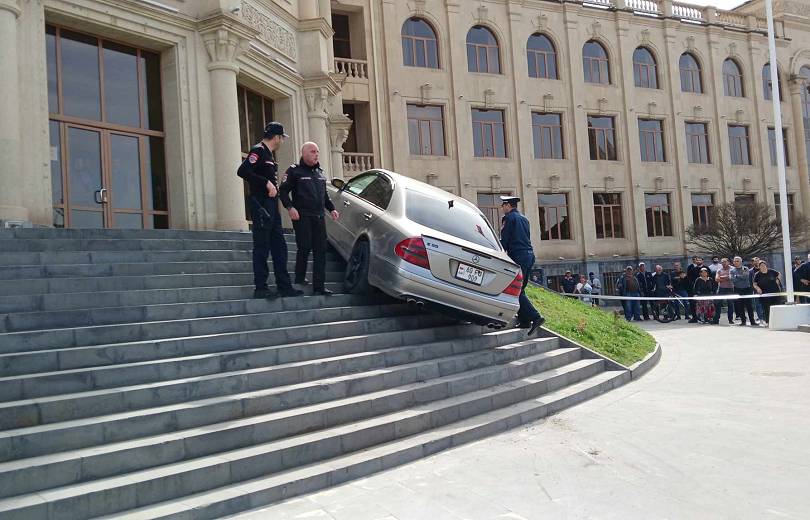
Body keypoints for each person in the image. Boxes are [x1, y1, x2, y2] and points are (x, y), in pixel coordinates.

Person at [237, 122, 302, 299]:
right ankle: (261, 288)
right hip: (261, 205)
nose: (282, 142)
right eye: (282, 138)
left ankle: (284, 286)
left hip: (272, 206)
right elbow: (243, 171)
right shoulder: (258, 150)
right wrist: (265, 183)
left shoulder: (268, 154)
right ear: (277, 137)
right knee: (262, 246)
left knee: (279, 246)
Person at [279, 142, 340, 296]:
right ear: (304, 153)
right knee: (304, 247)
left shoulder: (320, 173)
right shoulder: (294, 171)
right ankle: (299, 277)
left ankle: (319, 286)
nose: (316, 154)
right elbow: (283, 191)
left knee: (320, 251)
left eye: (317, 151)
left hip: (319, 217)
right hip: (302, 216)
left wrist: (332, 209)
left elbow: (324, 196)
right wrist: (289, 207)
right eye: (313, 151)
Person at [499, 196, 545, 335]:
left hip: (518, 256)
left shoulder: (509, 218)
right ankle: (524, 321)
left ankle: (536, 317)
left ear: (508, 205)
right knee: (520, 289)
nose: (502, 207)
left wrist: (499, 253)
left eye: (503, 205)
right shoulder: (524, 219)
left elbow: (505, 240)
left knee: (515, 289)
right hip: (529, 255)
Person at [753, 261, 783, 326]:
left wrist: (778, 280)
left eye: (764, 265)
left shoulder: (771, 271)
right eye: (761, 266)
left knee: (776, 307)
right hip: (765, 294)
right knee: (766, 309)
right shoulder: (757, 274)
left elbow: (779, 274)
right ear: (759, 267)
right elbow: (754, 284)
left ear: (766, 266)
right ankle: (768, 322)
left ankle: (778, 321)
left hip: (775, 293)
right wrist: (758, 289)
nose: (762, 267)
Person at [730, 256, 756, 326]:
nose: (735, 262)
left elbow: (746, 276)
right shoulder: (732, 270)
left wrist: (737, 276)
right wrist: (739, 276)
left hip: (746, 289)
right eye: (734, 261)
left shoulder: (745, 268)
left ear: (741, 262)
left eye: (737, 261)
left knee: (749, 306)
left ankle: (752, 321)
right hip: (737, 289)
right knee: (740, 306)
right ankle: (743, 321)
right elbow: (732, 280)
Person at [713, 257, 735, 325]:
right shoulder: (719, 270)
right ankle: (716, 319)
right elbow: (716, 279)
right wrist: (726, 277)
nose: (723, 263)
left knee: (730, 304)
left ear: (728, 262)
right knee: (717, 303)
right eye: (722, 262)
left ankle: (730, 320)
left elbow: (731, 277)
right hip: (721, 288)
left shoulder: (732, 269)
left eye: (724, 262)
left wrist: (722, 277)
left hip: (730, 288)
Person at [686, 256, 704, 323]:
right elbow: (689, 278)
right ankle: (695, 317)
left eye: (699, 260)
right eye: (696, 260)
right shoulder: (691, 268)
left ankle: (705, 317)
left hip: (703, 289)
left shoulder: (706, 268)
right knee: (693, 303)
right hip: (693, 289)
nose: (697, 261)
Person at [748, 257, 764, 323]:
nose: (756, 262)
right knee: (758, 305)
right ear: (753, 262)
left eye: (757, 261)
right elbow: (750, 281)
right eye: (755, 261)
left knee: (765, 304)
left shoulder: (763, 269)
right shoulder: (750, 271)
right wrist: (754, 289)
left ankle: (765, 317)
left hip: (765, 289)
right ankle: (760, 318)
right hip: (756, 290)